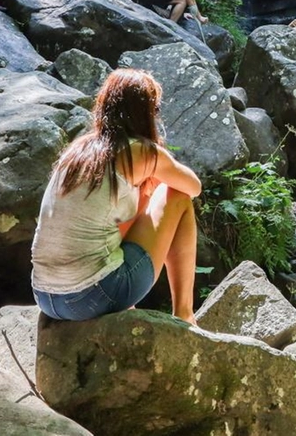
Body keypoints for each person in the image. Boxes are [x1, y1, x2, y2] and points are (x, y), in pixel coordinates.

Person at [31, 69, 203, 323]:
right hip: (91, 296)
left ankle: (127, 307)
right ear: (146, 112)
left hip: (45, 297)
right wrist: (156, 173)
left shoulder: (79, 151)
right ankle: (185, 315)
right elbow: (193, 187)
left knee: (120, 212)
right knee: (176, 195)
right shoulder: (142, 152)